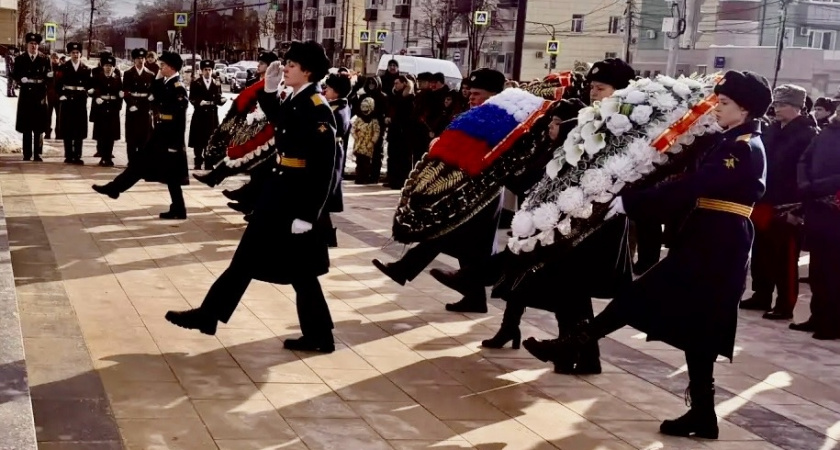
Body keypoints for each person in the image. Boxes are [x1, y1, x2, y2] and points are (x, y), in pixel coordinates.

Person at [522, 70, 773, 441]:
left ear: (745, 110)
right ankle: (703, 413)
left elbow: (694, 185)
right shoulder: (730, 140)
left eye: (724, 104)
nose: (716, 109)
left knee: (642, 297)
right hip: (710, 237)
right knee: (699, 330)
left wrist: (632, 202)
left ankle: (576, 341)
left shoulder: (742, 146)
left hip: (718, 242)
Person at [164, 40, 339, 354]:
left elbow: (325, 169)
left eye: (291, 65)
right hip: (278, 196)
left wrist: (308, 215)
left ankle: (320, 336)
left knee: (300, 273)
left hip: (295, 203)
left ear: (308, 71)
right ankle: (209, 315)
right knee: (249, 260)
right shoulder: (299, 99)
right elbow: (283, 121)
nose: (284, 68)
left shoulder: (317, 107)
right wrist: (270, 91)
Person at [372, 68, 507, 314]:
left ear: (494, 95)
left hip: (483, 189)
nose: (471, 98)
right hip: (466, 185)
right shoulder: (478, 114)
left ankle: (405, 268)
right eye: (471, 93)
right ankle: (474, 299)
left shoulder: (503, 119)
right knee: (471, 246)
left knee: (448, 230)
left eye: (477, 94)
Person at [741, 84, 817, 321]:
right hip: (764, 201)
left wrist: (802, 209)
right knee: (761, 252)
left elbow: (810, 173)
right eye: (776, 104)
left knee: (784, 257)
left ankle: (785, 303)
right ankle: (761, 295)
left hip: (789, 206)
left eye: (782, 104)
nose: (777, 109)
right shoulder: (770, 130)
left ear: (797, 107)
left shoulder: (808, 134)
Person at [91, 51, 190, 219]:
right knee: (141, 164)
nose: (160, 67)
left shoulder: (177, 87)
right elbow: (155, 90)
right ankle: (115, 188)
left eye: (163, 65)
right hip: (160, 135)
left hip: (169, 138)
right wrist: (160, 75)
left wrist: (175, 144)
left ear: (172, 68)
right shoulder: (166, 83)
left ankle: (178, 208)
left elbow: (180, 120)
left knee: (169, 175)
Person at [790, 111, 840, 340]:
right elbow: (804, 159)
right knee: (817, 269)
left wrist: (818, 185)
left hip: (834, 209)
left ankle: (832, 322)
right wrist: (804, 182)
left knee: (834, 271)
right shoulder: (826, 132)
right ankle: (817, 316)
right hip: (817, 208)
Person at [321, 72, 353, 247]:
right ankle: (326, 236)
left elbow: (330, 130)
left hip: (331, 154)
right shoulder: (334, 105)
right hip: (330, 152)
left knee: (323, 196)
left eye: (329, 88)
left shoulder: (339, 109)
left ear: (338, 92)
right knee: (322, 201)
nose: (325, 90)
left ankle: (327, 237)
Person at [13, 33, 52, 162]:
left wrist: (45, 82)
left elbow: (50, 76)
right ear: (27, 45)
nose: (33, 46)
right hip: (26, 95)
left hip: (39, 95)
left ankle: (38, 154)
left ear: (38, 45)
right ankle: (27, 154)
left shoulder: (45, 59)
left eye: (36, 44)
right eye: (31, 44)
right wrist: (20, 80)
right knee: (26, 126)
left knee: (39, 126)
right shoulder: (20, 59)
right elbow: (14, 75)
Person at [189, 59, 227, 170]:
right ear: (201, 71)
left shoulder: (216, 83)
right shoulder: (196, 83)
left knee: (211, 139)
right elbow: (191, 98)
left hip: (212, 115)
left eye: (209, 70)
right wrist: (199, 102)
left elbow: (219, 96)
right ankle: (198, 161)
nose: (207, 72)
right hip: (199, 114)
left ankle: (209, 161)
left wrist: (222, 100)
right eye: (205, 70)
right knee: (198, 140)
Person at [56, 42, 90, 165]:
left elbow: (88, 85)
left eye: (77, 53)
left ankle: (78, 155)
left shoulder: (86, 69)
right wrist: (61, 95)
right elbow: (58, 84)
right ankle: (69, 155)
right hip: (67, 100)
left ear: (81, 54)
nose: (75, 55)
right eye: (73, 53)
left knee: (79, 128)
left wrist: (89, 91)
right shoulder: (63, 67)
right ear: (69, 54)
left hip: (80, 101)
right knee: (67, 127)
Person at [123, 48, 156, 164]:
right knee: (132, 134)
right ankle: (131, 160)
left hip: (145, 106)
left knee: (145, 134)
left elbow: (153, 91)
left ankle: (142, 161)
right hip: (133, 106)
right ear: (134, 60)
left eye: (142, 58)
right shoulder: (128, 74)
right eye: (138, 58)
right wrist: (130, 103)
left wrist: (151, 98)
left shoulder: (150, 74)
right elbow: (125, 91)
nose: (140, 60)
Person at [89, 55, 123, 167]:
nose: (108, 68)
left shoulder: (117, 79)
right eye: (106, 66)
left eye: (110, 66)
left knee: (111, 134)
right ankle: (103, 156)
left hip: (113, 109)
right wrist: (96, 97)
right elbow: (93, 90)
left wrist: (118, 106)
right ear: (102, 66)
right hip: (101, 109)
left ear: (113, 67)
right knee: (102, 134)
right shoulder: (97, 77)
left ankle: (108, 156)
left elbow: (120, 94)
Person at [45, 52, 60, 139]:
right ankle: (47, 132)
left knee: (59, 115)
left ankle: (58, 132)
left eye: (56, 58)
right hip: (49, 96)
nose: (55, 59)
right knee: (47, 116)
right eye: (53, 58)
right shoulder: (48, 68)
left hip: (58, 96)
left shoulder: (62, 68)